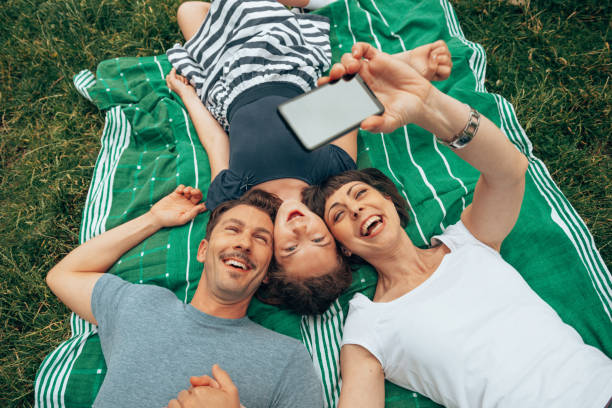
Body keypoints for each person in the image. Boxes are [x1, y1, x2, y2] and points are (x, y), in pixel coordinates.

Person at [302, 43, 612, 407]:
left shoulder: (469, 241)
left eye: (360, 194)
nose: (355, 209)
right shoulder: (367, 326)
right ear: (343, 246)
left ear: (389, 200)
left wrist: (429, 106)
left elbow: (509, 171)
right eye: (338, 215)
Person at [165, 0, 453, 313]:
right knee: (252, 12)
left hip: (226, 85)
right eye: (318, 240)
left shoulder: (237, 199)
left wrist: (189, 96)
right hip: (281, 63)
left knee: (189, 11)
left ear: (272, 252)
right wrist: (408, 65)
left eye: (290, 247)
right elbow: (348, 99)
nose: (301, 229)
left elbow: (215, 143)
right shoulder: (327, 172)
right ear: (336, 238)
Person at [45, 186, 323, 408]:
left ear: (266, 274)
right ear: (202, 251)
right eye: (233, 229)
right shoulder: (140, 304)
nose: (243, 243)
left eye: (261, 239)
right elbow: (63, 275)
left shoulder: (287, 359)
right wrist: (152, 219)